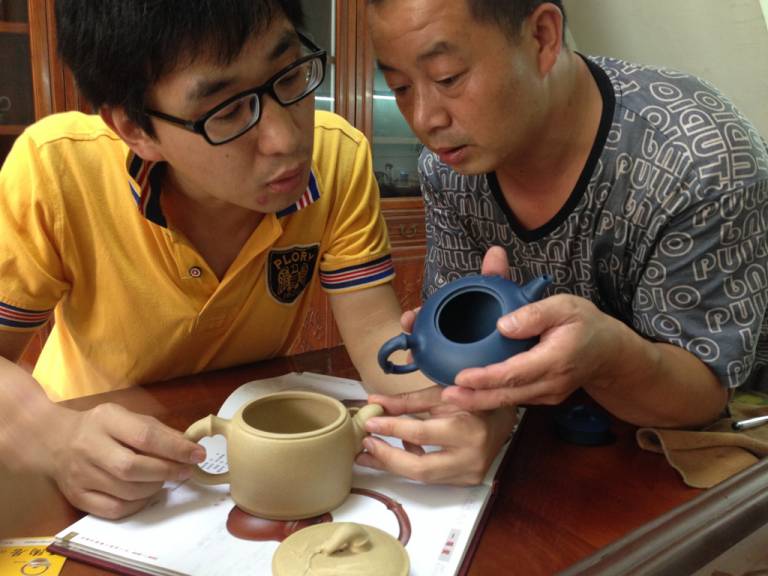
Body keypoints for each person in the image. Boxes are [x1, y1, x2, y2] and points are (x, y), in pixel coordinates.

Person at [0, 0, 516, 520]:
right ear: (136, 130)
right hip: (93, 459)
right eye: (226, 111)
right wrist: (57, 436)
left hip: (254, 442)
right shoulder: (57, 169)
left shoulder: (337, 158)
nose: (287, 139)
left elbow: (376, 337)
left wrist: (461, 404)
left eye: (289, 77)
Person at [356, 0, 768, 473]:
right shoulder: (448, 170)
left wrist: (607, 357)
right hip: (552, 446)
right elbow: (463, 351)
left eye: (448, 78)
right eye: (400, 87)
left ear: (542, 37)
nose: (425, 119)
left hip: (701, 439)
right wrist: (481, 410)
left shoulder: (700, 158)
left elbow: (703, 393)